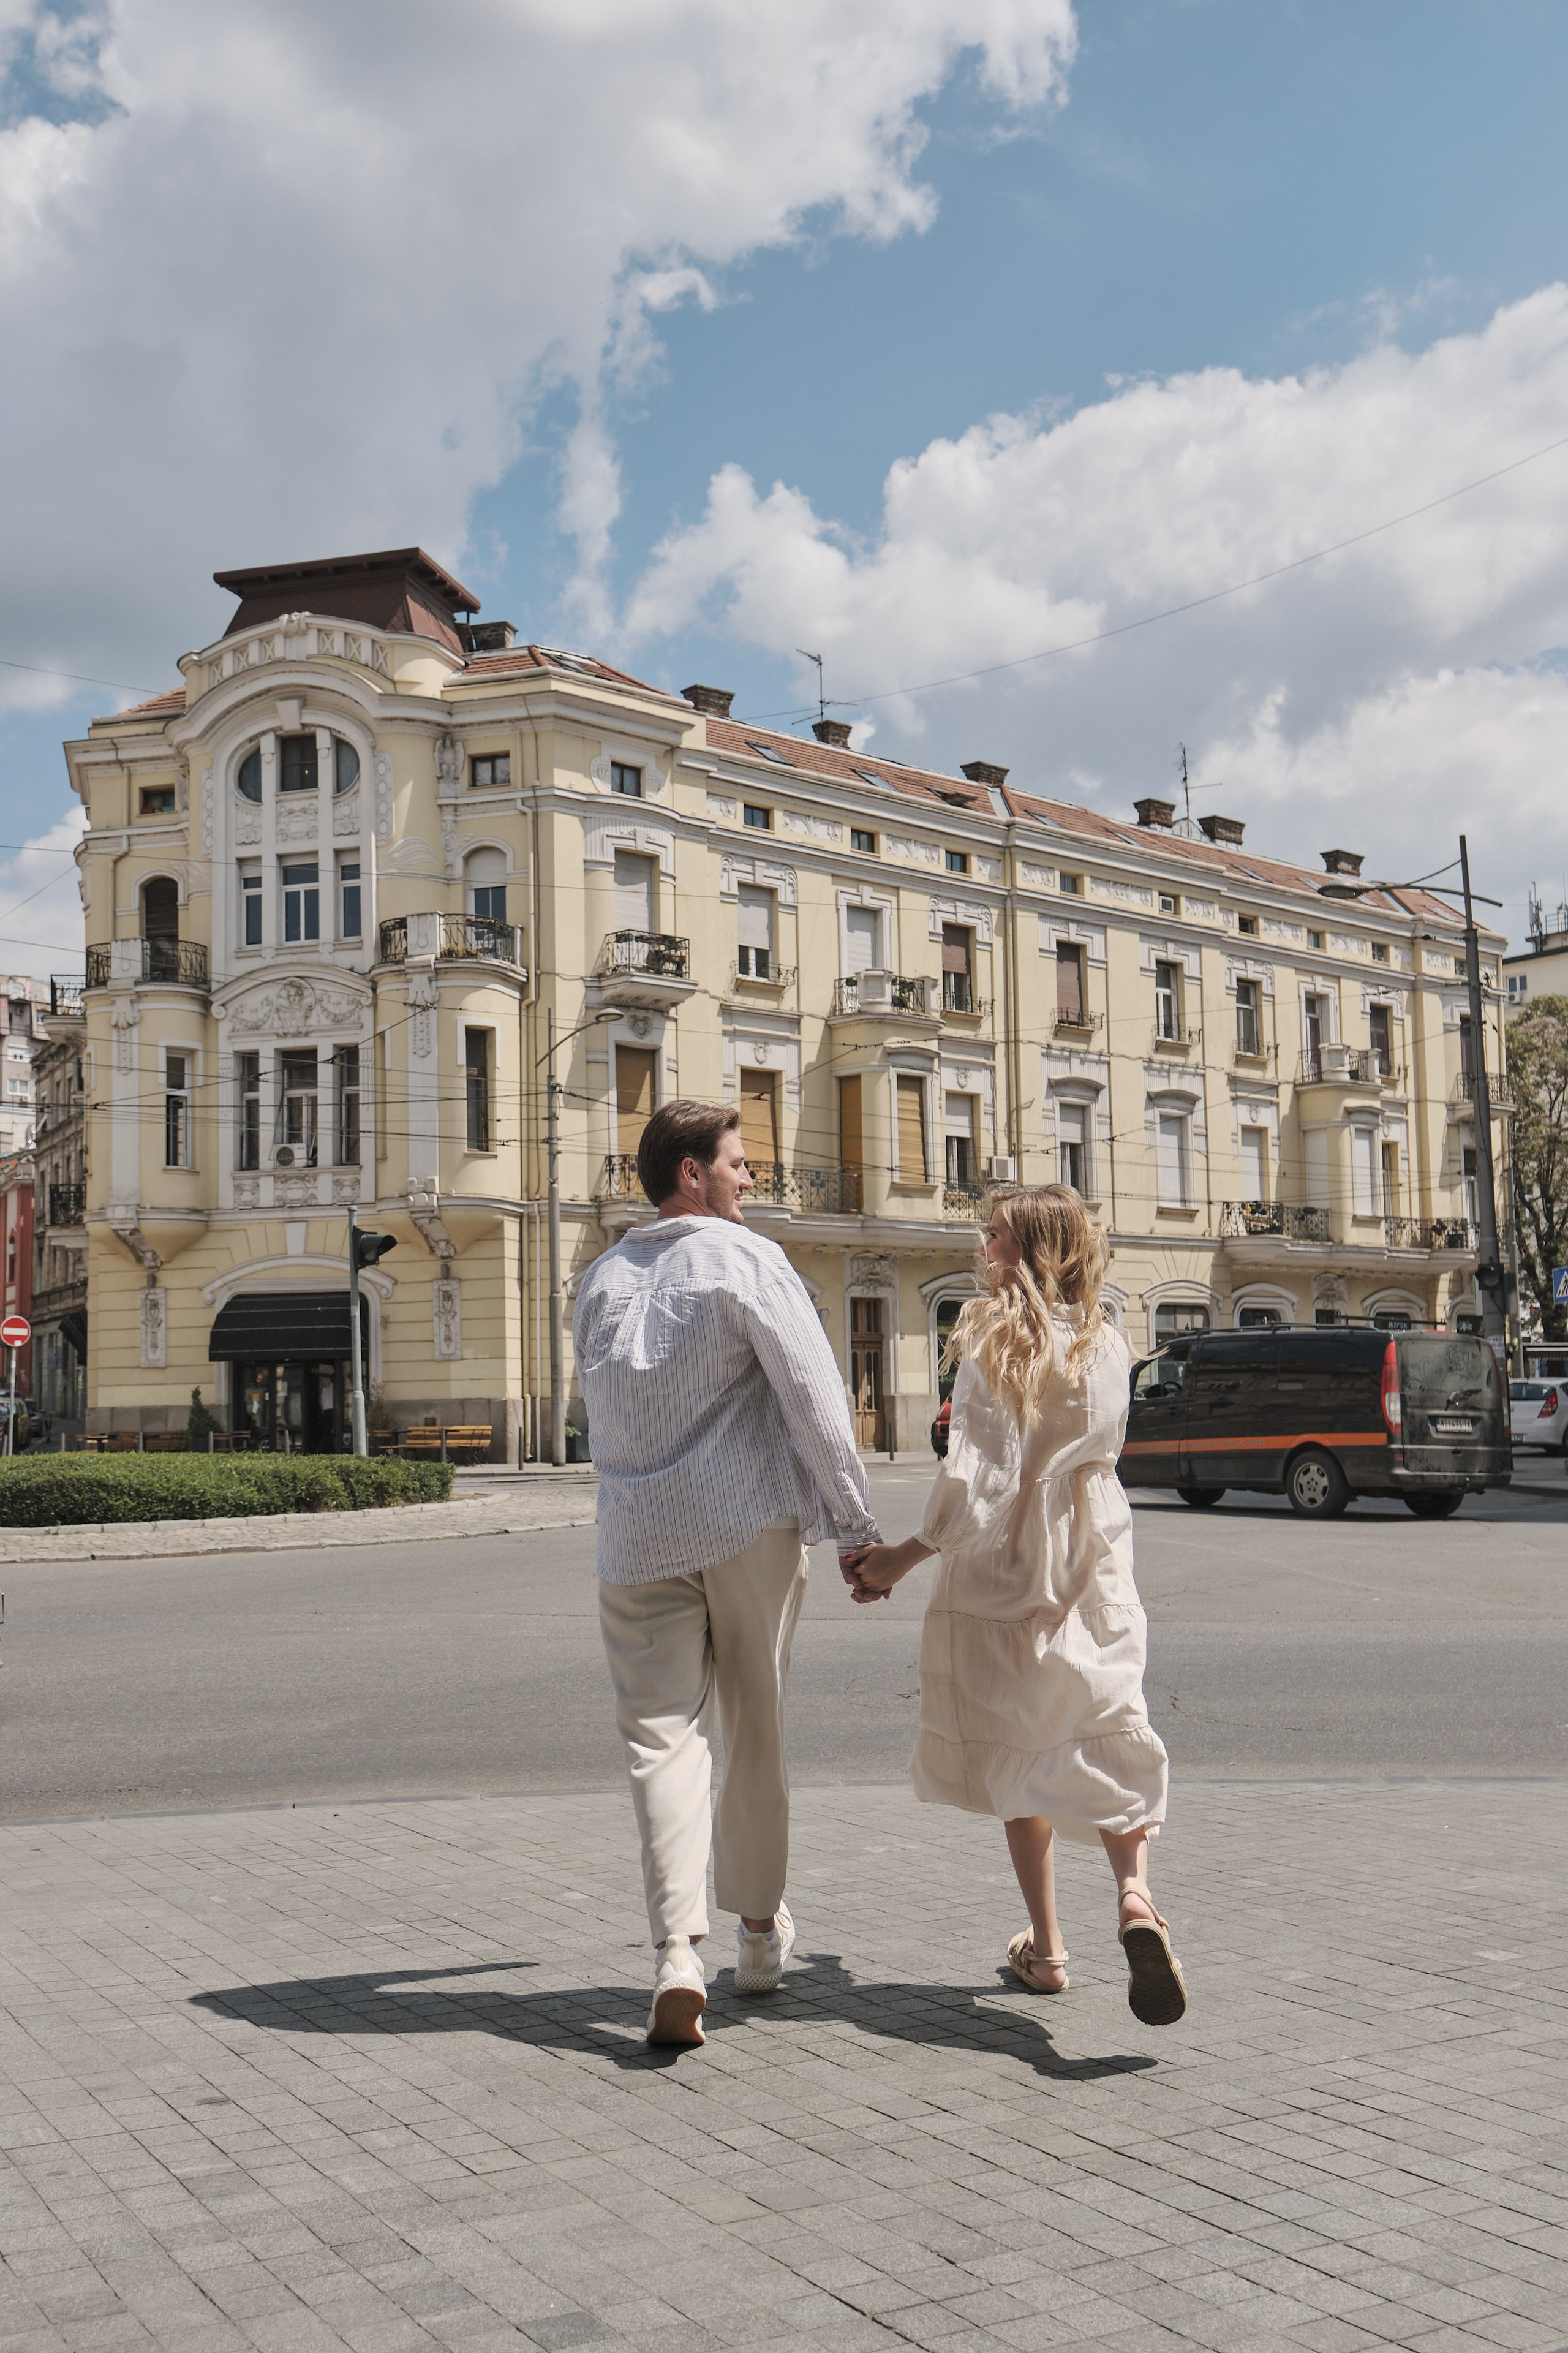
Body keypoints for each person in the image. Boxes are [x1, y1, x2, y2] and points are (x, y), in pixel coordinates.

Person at [574, 1098, 880, 2047]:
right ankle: (754, 1936)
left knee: (659, 1739)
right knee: (755, 1726)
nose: (752, 1177)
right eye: (739, 1163)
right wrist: (855, 1523)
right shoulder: (749, 1261)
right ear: (692, 1175)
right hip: (746, 1523)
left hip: (635, 1535)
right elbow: (815, 1396)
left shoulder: (596, 1277)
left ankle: (675, 1950)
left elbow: (597, 1407)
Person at [842, 1185, 1185, 2026]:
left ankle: (1048, 1948)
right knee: (1108, 1719)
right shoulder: (1108, 1340)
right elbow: (1100, 1454)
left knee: (1018, 1746)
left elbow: (980, 1483)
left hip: (1008, 1572)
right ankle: (1136, 1896)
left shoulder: (995, 1337)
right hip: (1094, 1558)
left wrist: (898, 1557)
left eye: (992, 1234)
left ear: (1027, 1249)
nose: (981, 1246)